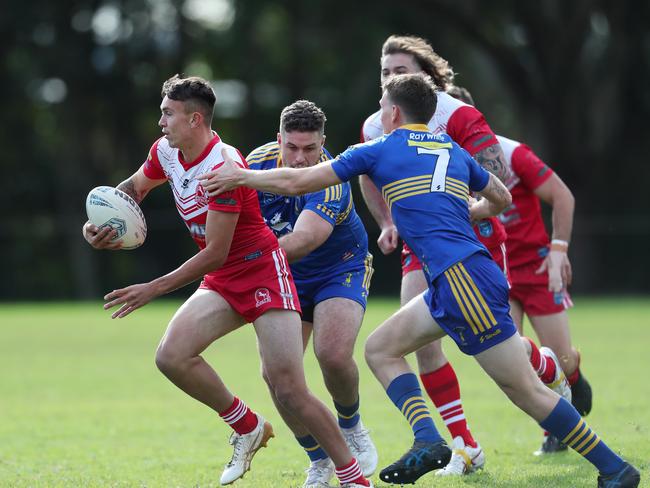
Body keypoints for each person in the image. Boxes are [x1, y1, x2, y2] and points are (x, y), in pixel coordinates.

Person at [198, 73, 640, 488]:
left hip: (463, 279)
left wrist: (242, 176)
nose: (379, 112)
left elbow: (300, 181)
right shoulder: (451, 147)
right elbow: (502, 196)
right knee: (380, 349)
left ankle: (614, 468)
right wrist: (469, 211)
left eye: (381, 105)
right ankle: (428, 439)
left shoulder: (383, 147)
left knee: (523, 389)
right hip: (458, 277)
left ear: (393, 113)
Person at [82, 75, 372, 488]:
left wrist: (153, 287)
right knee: (171, 356)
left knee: (288, 388)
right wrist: (97, 225)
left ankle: (352, 476)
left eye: (168, 114)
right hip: (222, 277)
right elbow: (130, 191)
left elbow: (216, 252)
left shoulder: (224, 166)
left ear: (194, 119)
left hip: (261, 272)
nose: (161, 121)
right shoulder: (165, 151)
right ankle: (247, 426)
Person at [358, 34, 514, 475]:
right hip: (420, 247)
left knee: (498, 350)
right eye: (386, 72)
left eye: (401, 70)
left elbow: (497, 172)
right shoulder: (376, 125)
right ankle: (464, 444)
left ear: (426, 76)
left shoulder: (457, 113)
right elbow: (368, 176)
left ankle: (546, 369)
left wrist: (472, 207)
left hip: (474, 241)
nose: (391, 78)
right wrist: (387, 222)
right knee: (421, 344)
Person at [447, 85, 593, 454]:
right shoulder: (438, 159)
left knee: (559, 358)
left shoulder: (510, 154)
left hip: (537, 267)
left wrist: (559, 249)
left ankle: (573, 376)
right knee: (513, 360)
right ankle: (556, 429)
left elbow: (563, 196)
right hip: (495, 270)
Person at [246, 99, 377, 487]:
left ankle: (351, 426)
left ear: (323, 143)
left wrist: (240, 258)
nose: (301, 159)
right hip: (284, 276)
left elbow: (304, 239)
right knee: (275, 376)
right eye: (292, 147)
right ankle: (318, 459)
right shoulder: (256, 163)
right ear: (279, 140)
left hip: (340, 267)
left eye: (310, 148)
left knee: (332, 355)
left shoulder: (333, 177)